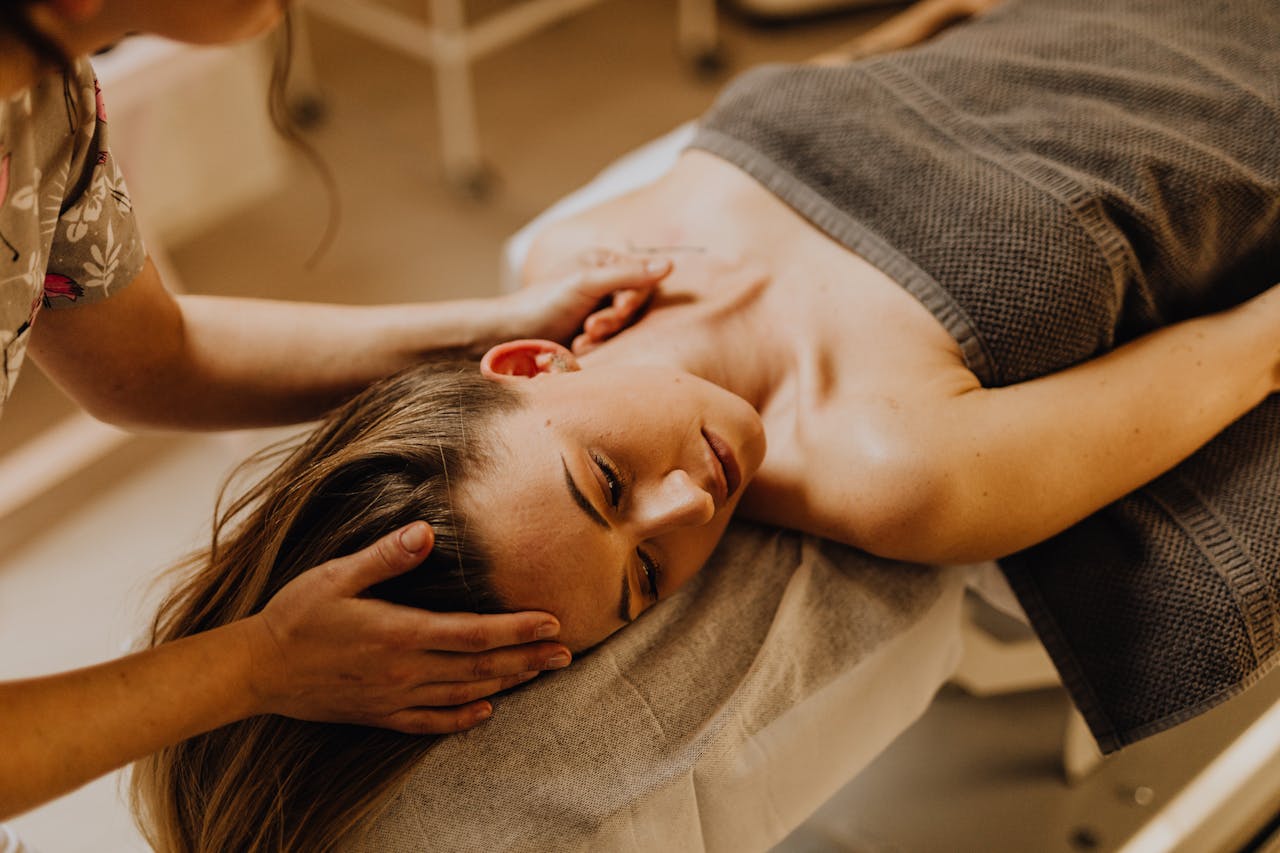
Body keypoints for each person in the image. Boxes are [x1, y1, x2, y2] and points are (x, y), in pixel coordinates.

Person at [134, 0, 1280, 849]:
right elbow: (1251, 350)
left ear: (528, 362)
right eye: (641, 580)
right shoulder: (889, 468)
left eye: (602, 483)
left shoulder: (567, 251)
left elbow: (838, 83)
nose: (692, 506)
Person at [0, 0, 675, 823]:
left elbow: (149, 361)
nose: (691, 497)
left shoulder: (44, 100)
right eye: (606, 484)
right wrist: (256, 665)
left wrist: (494, 326)